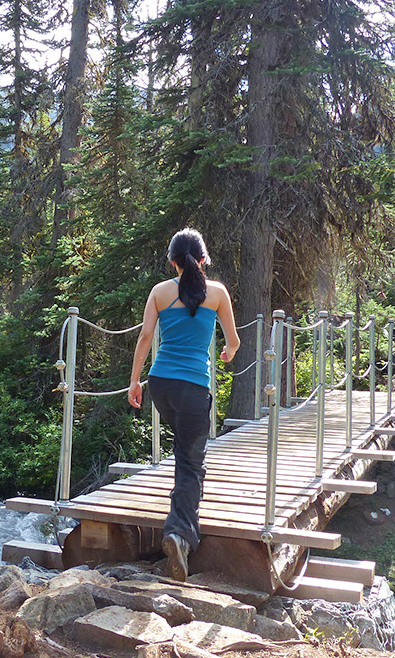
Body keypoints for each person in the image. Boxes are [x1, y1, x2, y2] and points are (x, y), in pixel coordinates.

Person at [127, 228, 240, 583]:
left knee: (183, 453)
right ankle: (178, 535)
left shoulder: (159, 292)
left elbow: (146, 337)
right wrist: (226, 353)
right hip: (194, 390)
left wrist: (134, 381)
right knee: (192, 464)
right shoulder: (217, 293)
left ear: (172, 261)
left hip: (161, 386)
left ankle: (180, 527)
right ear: (203, 259)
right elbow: (233, 342)